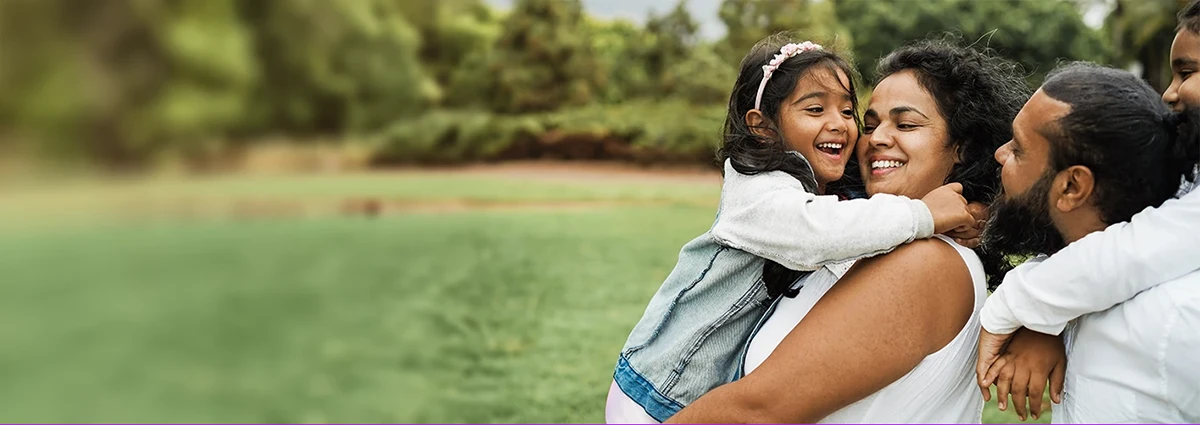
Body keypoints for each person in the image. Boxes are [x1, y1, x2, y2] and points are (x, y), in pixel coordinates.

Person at [604, 33, 986, 423]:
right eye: (869, 125)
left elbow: (759, 409)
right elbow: (824, 230)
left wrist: (968, 212)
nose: (869, 137)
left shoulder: (922, 259)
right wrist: (922, 214)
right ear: (764, 127)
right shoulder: (764, 192)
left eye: (905, 124)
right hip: (660, 388)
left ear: (962, 147)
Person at [975, 0, 1200, 420]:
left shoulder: (1175, 320)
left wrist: (1020, 306)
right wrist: (1047, 318)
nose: (998, 154)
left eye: (1187, 72)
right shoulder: (1100, 282)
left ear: (1074, 185)